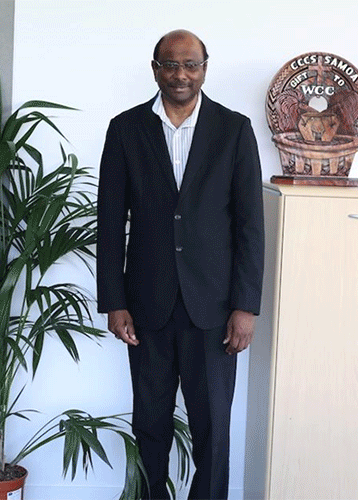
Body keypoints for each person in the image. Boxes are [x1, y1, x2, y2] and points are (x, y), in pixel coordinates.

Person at [96, 30, 264, 500]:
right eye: (171, 65)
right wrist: (114, 300)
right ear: (155, 69)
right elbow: (109, 223)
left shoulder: (233, 129)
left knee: (212, 428)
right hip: (146, 306)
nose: (181, 75)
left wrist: (245, 306)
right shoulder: (125, 129)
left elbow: (250, 226)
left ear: (205, 68)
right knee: (149, 424)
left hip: (214, 310)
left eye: (190, 65)